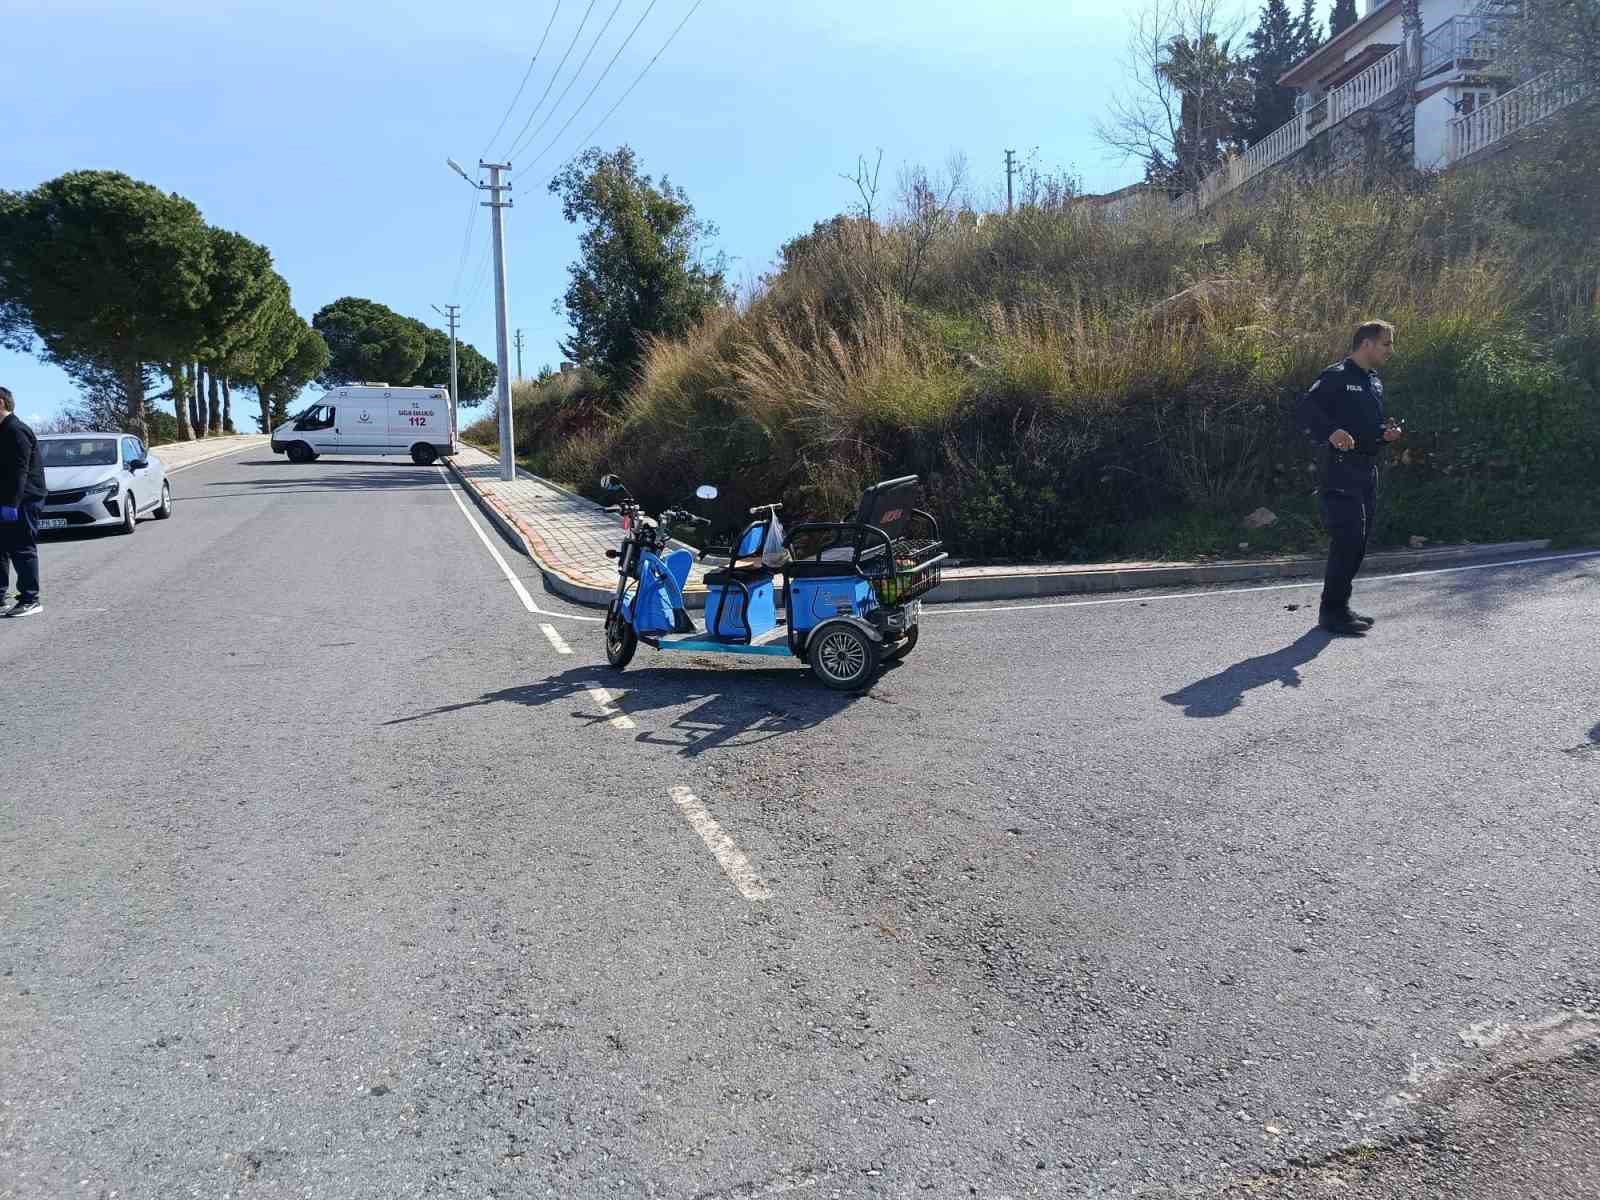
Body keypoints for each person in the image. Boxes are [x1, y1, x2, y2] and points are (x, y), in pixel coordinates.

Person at [1297, 322, 1404, 637]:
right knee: (1347, 538)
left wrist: (1384, 435)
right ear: (1367, 344)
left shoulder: (1374, 381)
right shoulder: (1337, 376)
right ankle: (1331, 613)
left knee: (1360, 541)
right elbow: (1305, 410)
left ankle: (1340, 606)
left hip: (1366, 469)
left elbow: (1366, 428)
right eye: (1386, 344)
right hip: (1340, 468)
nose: (1391, 350)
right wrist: (1331, 431)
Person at [0, 386, 46, 618]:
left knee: (22, 548)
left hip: (23, 501)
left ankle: (30, 599)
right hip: (6, 500)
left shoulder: (16, 430)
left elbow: (21, 471)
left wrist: (12, 504)